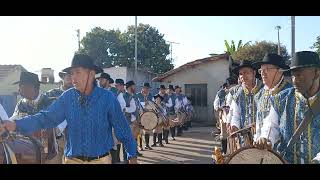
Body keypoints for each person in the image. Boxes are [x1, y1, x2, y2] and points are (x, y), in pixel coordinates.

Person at [1, 53, 137, 164]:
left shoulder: (107, 98)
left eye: (77, 72)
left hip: (101, 160)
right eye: (71, 74)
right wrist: (15, 124)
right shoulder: (67, 97)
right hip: (72, 161)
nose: (73, 78)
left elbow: (123, 130)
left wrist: (132, 156)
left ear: (91, 74)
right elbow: (46, 117)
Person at [255, 51, 320, 164]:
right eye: (293, 75)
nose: (294, 80)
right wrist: (266, 138)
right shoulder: (282, 99)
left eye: (299, 74)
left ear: (317, 73)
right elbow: (271, 124)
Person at [9, 71, 58, 164]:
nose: (19, 91)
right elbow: (13, 119)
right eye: (20, 87)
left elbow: (59, 128)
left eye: (22, 87)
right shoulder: (21, 104)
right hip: (28, 154)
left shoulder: (50, 103)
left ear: (33, 87)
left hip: (49, 153)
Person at [252, 53, 292, 148]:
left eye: (268, 69)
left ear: (280, 71)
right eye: (261, 70)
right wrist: (258, 138)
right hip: (262, 148)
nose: (263, 73)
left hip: (284, 152)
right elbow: (259, 122)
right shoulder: (259, 94)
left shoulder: (289, 93)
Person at [45, 71, 73, 163]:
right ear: (63, 78)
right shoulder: (51, 94)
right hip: (55, 138)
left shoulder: (79, 95)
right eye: (68, 76)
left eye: (72, 76)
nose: (70, 78)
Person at [230, 60, 263, 132]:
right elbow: (235, 114)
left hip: (263, 135)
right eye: (240, 74)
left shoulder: (264, 89)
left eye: (246, 73)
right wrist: (234, 125)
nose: (243, 76)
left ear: (254, 73)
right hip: (244, 136)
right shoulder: (237, 93)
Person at [136, 82, 154, 150]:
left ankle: (147, 145)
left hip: (148, 115)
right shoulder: (137, 95)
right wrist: (144, 104)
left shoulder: (150, 95)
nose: (147, 89)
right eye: (146, 88)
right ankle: (140, 146)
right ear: (142, 88)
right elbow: (137, 104)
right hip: (140, 115)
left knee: (147, 130)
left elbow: (152, 104)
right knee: (140, 131)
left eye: (148, 88)